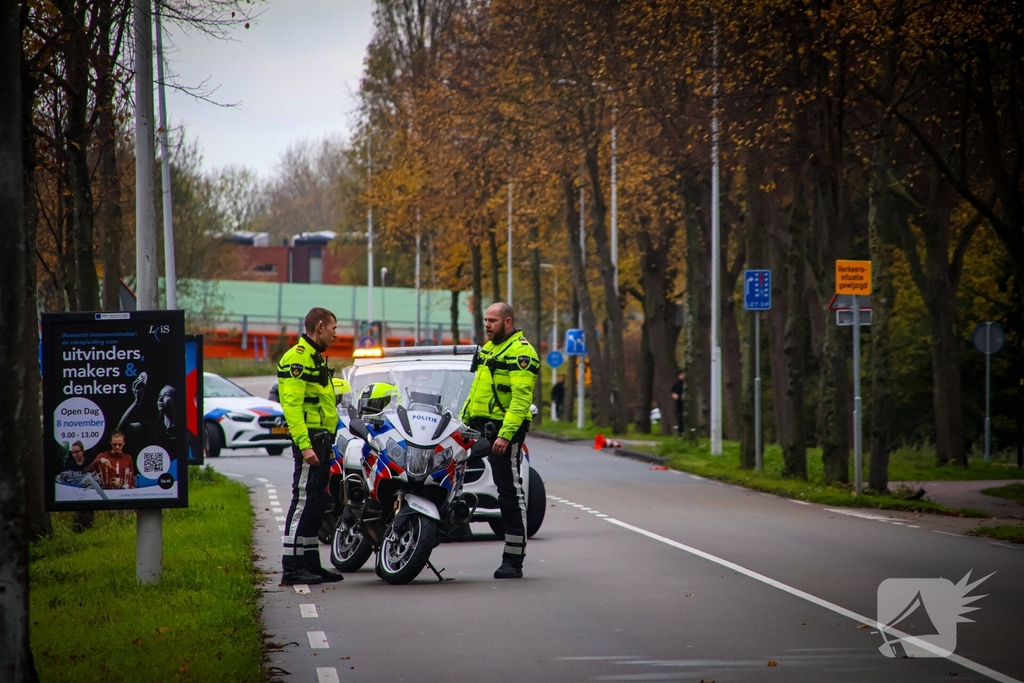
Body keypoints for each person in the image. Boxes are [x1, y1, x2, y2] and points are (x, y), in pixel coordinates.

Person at [461, 302, 539, 579]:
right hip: (477, 427)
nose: (487, 325)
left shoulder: (521, 352)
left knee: (509, 493)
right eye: (485, 320)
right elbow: (476, 391)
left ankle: (513, 560)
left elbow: (520, 400)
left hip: (502, 431)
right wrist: (461, 422)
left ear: (508, 322)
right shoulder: (489, 348)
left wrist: (505, 435)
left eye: (492, 320)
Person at [277, 307, 344, 586]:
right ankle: (292, 567)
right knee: (304, 499)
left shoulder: (315, 357)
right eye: (333, 328)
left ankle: (310, 562)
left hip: (322, 439)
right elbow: (292, 407)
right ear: (320, 327)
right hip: (311, 440)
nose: (336, 334)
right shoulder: (298, 358)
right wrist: (305, 446)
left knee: (317, 503)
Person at [119, 376, 178, 454]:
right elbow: (121, 430)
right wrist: (137, 401)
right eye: (160, 395)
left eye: (166, 395)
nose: (160, 399)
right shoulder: (151, 427)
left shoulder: (185, 431)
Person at [670, 370, 686, 436]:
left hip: (686, 403)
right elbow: (673, 392)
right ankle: (680, 431)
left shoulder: (687, 384)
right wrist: (674, 396)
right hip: (679, 403)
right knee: (680, 417)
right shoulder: (677, 384)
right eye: (681, 375)